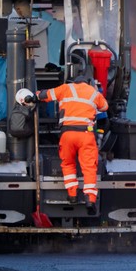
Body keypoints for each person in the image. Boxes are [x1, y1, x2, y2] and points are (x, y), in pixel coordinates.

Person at [34, 73, 107, 213]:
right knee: (89, 168)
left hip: (67, 134)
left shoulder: (66, 88)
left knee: (67, 163)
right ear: (88, 82)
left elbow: (46, 95)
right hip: (86, 135)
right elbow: (104, 107)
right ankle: (90, 199)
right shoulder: (93, 92)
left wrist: (34, 95)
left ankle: (72, 195)